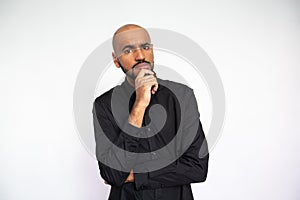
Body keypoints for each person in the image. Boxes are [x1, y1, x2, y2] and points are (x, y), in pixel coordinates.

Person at [92, 24, 209, 200]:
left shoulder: (182, 96)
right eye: (128, 50)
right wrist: (139, 104)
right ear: (116, 60)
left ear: (152, 50)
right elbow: (112, 175)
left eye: (145, 47)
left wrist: (137, 175)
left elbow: (197, 168)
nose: (140, 56)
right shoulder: (103, 105)